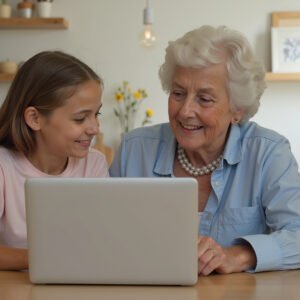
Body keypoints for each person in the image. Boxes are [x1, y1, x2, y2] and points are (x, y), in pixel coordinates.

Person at [110, 25, 300, 275]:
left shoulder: (268, 153)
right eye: (178, 93)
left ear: (237, 109)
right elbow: (103, 230)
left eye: (205, 99)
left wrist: (241, 254)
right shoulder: (135, 149)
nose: (185, 110)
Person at [0, 51, 108, 270]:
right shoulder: (4, 166)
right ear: (35, 118)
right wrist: (45, 260)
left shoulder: (94, 163)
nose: (95, 128)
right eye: (80, 118)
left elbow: (103, 240)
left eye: (97, 114)